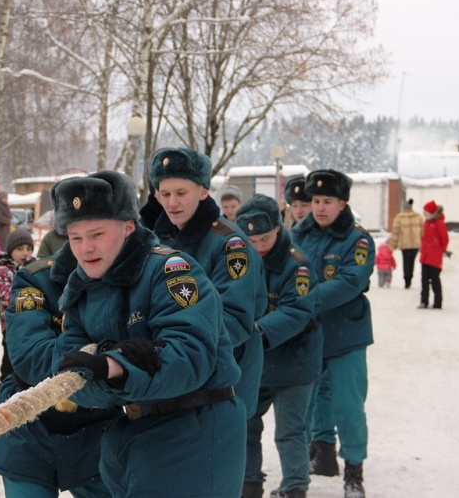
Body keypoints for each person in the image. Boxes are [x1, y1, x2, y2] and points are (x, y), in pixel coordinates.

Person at [52, 170, 246, 497]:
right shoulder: (81, 289)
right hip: (128, 435)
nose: (85, 248)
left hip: (193, 430)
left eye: (97, 234)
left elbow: (189, 357)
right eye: (75, 237)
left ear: (128, 227)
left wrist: (114, 366)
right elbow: (71, 377)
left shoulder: (170, 271)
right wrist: (113, 371)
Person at [142, 147, 267, 421]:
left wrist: (176, 349)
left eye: (181, 193)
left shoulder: (229, 243)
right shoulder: (155, 241)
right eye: (165, 194)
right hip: (174, 368)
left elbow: (235, 317)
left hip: (224, 370)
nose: (172, 202)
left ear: (202, 191)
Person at [0, 251, 119, 498]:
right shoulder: (36, 277)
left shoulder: (128, 279)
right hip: (29, 421)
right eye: (77, 234)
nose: (89, 246)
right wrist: (101, 358)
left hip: (97, 429)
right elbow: (30, 356)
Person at [292, 169, 374, 498]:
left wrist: (304, 301)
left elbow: (350, 282)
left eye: (328, 201)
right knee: (312, 400)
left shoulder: (358, 239)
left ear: (343, 203)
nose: (320, 208)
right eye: (315, 201)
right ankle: (323, 452)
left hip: (346, 334)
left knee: (348, 404)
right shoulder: (300, 233)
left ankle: (354, 470)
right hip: (310, 334)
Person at [236, 195, 321, 498]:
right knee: (244, 427)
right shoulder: (237, 260)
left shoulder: (297, 264)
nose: (259, 246)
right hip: (254, 365)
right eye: (252, 239)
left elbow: (298, 311)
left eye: (265, 238)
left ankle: (295, 487)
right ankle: (249, 485)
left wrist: (258, 331)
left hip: (294, 364)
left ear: (278, 228)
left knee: (289, 432)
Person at [0, 228, 35, 390]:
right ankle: (6, 389)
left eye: (29, 249)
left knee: (28, 361)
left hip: (32, 326)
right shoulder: (3, 271)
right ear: (10, 251)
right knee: (10, 362)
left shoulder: (34, 269)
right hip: (11, 327)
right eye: (20, 249)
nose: (25, 253)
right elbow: (8, 299)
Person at [418, 200, 449, 310]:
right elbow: (424, 238)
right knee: (424, 280)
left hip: (434, 258)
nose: (424, 213)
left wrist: (440, 250)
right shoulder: (427, 223)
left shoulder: (439, 223)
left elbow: (444, 239)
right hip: (425, 256)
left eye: (425, 211)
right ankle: (424, 301)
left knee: (435, 280)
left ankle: (437, 302)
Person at [388, 198, 425, 288]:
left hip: (405, 245)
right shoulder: (418, 216)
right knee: (412, 262)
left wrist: (392, 246)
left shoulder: (399, 217)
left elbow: (395, 233)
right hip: (416, 244)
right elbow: (423, 231)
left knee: (406, 262)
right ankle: (409, 278)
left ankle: (407, 279)